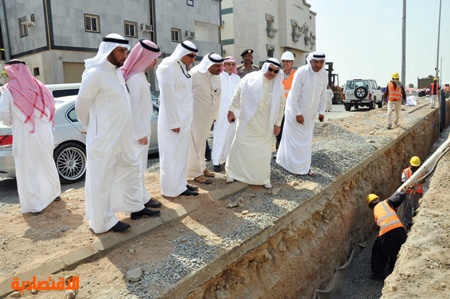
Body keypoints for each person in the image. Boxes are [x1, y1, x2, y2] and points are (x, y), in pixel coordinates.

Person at [76, 33, 159, 234]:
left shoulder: (116, 73)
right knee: (102, 179)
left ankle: (135, 207)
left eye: (126, 51)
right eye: (121, 51)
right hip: (103, 138)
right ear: (109, 50)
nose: (124, 55)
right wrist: (89, 126)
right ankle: (102, 222)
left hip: (122, 136)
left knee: (131, 167)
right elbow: (82, 104)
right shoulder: (95, 73)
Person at [0, 60, 61, 215]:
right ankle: (54, 194)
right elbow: (51, 106)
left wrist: (12, 121)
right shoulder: (40, 86)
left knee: (29, 168)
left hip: (26, 134)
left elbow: (4, 114)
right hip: (45, 134)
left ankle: (35, 205)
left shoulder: (9, 89)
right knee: (46, 163)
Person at [225, 58, 285, 189]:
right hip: (248, 121)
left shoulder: (279, 86)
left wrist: (278, 124)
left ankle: (262, 178)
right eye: (270, 69)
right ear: (265, 68)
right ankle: (232, 172)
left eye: (275, 71)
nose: (272, 73)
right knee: (239, 144)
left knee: (262, 152)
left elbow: (281, 107)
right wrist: (231, 110)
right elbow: (237, 94)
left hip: (265, 124)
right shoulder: (249, 78)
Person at [121, 39, 162, 210]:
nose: (155, 62)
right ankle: (136, 203)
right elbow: (133, 109)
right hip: (138, 133)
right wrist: (140, 133)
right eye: (153, 59)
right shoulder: (134, 79)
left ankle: (142, 197)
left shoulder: (139, 75)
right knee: (136, 168)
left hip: (142, 129)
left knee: (140, 168)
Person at [156, 40, 200, 197]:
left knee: (181, 154)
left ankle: (181, 185)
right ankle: (170, 189)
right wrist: (174, 121)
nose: (192, 59)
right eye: (190, 56)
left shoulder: (182, 68)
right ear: (181, 53)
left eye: (195, 56)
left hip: (184, 119)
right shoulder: (167, 67)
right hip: (172, 122)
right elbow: (168, 97)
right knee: (171, 155)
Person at [276, 52, 328, 177]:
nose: (318, 65)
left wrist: (321, 111)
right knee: (293, 141)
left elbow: (323, 94)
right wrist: (297, 114)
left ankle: (304, 167)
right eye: (315, 62)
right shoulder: (301, 72)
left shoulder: (324, 74)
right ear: (310, 61)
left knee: (306, 143)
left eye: (321, 62)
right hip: (295, 113)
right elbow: (294, 95)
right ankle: (290, 166)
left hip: (309, 116)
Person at [187, 53, 224, 184]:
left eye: (221, 65)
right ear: (208, 65)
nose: (220, 69)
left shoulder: (217, 76)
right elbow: (184, 95)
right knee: (195, 144)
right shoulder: (195, 74)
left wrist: (215, 115)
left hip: (208, 117)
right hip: (195, 117)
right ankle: (195, 173)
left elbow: (218, 96)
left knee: (203, 143)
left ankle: (202, 168)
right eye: (217, 66)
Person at [366, 192, 407, 280]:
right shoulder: (386, 203)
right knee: (397, 249)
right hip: (401, 230)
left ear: (370, 206)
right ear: (378, 199)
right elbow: (398, 197)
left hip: (387, 232)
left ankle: (378, 274)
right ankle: (393, 268)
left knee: (378, 250)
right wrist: (404, 192)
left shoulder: (375, 211)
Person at [212, 56, 241, 172]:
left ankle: (230, 160)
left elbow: (240, 95)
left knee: (233, 136)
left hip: (235, 112)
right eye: (228, 64)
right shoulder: (218, 77)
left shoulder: (237, 78)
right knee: (220, 135)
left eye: (232, 64)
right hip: (221, 112)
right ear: (224, 65)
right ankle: (216, 161)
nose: (230, 66)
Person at [275, 51, 297, 152]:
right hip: (280, 108)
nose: (285, 63)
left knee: (291, 131)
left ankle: (290, 151)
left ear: (292, 62)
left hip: (292, 107)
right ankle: (279, 150)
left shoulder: (296, 75)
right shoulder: (277, 74)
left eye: (288, 61)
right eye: (283, 61)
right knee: (279, 130)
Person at [397, 156, 425, 230]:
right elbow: (403, 182)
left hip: (418, 193)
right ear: (410, 165)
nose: (415, 169)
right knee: (408, 208)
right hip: (408, 193)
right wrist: (409, 186)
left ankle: (417, 220)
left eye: (417, 167)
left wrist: (420, 181)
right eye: (414, 167)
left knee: (417, 207)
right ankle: (409, 223)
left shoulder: (421, 170)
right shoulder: (405, 172)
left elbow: (424, 179)